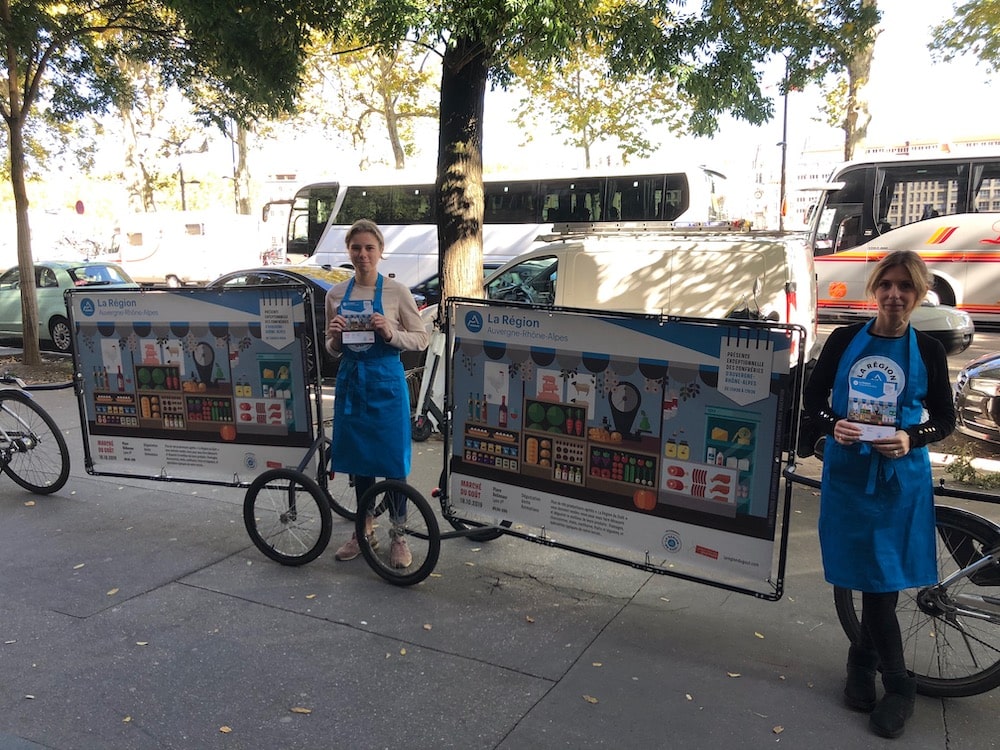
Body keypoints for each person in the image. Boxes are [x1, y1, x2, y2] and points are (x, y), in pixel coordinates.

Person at [803, 250, 955, 740]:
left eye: (905, 286)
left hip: (899, 482)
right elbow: (813, 399)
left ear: (919, 293)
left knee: (880, 585)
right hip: (850, 477)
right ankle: (860, 663)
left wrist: (913, 436)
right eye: (886, 284)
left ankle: (897, 685)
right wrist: (833, 424)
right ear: (875, 289)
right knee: (863, 575)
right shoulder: (845, 340)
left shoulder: (928, 350)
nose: (894, 294)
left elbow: (945, 419)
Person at [325, 219, 429, 568]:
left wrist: (391, 334)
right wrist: (335, 338)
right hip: (353, 382)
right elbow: (330, 349)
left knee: (392, 462)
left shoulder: (397, 292)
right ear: (348, 252)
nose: (363, 254)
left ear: (381, 252)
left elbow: (421, 338)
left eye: (370, 247)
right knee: (360, 462)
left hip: (386, 383)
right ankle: (364, 529)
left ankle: (399, 534)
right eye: (356, 248)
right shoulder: (335, 295)